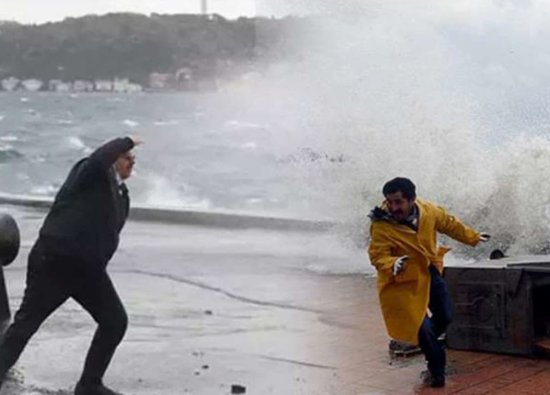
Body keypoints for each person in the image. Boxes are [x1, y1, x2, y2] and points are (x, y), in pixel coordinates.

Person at [0, 136, 142, 395]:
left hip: (87, 271)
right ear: (112, 158)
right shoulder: (89, 172)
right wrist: (126, 140)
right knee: (25, 326)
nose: (132, 161)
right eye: (126, 156)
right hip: (54, 263)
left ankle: (89, 385)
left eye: (133, 157)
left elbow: (108, 235)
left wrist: (99, 262)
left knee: (114, 321)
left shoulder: (122, 195)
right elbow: (99, 158)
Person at [368, 177, 489, 388]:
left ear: (412, 199)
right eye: (390, 202)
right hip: (401, 282)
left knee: (445, 315)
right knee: (422, 328)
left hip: (429, 271)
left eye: (398, 202)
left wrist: (473, 237)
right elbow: (377, 255)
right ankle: (436, 371)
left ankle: (425, 341)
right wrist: (392, 263)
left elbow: (449, 224)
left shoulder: (428, 211)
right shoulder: (381, 225)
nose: (393, 207)